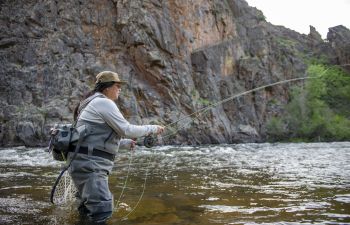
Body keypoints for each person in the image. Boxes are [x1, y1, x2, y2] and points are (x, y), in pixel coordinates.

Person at [68, 71, 164, 223]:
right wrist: (152, 128)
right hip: (90, 166)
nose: (120, 89)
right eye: (117, 86)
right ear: (107, 88)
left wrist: (124, 144)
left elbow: (93, 140)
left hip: (83, 164)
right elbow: (127, 130)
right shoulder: (103, 103)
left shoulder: (91, 102)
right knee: (102, 210)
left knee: (87, 210)